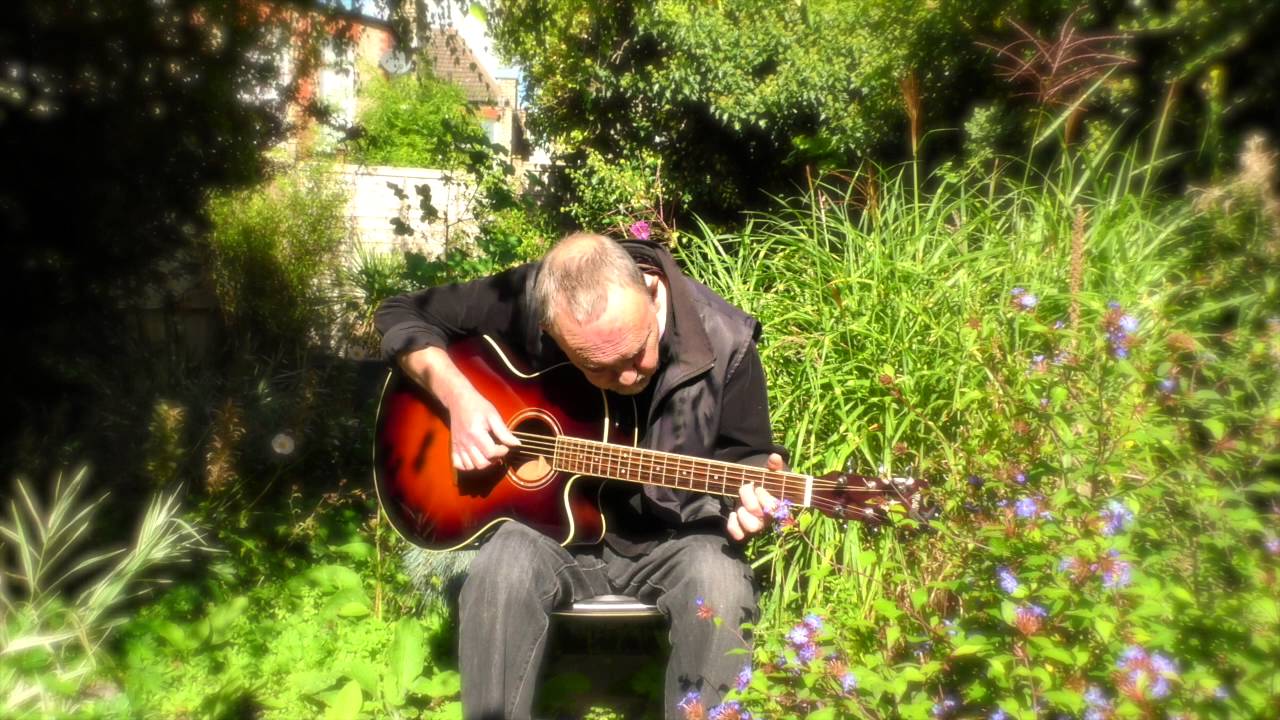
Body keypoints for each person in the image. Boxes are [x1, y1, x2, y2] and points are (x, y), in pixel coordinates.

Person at [375, 232, 787, 719]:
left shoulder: (726, 338)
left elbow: (748, 456)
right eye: (599, 368)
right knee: (502, 567)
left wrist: (753, 497)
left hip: (674, 540)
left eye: (637, 352)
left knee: (721, 580)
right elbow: (400, 313)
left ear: (652, 291)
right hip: (552, 533)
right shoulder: (536, 297)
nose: (629, 377)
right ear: (550, 328)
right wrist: (458, 398)